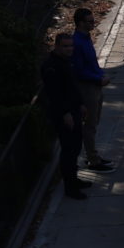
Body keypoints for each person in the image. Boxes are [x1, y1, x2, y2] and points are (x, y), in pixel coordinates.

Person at [38, 31, 91, 201]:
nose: (69, 49)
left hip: (73, 110)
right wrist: (65, 114)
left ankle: (74, 179)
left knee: (75, 147)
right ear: (57, 46)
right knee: (68, 150)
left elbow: (72, 87)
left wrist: (80, 104)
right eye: (65, 46)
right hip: (64, 114)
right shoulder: (52, 66)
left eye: (71, 46)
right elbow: (55, 94)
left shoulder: (66, 61)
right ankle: (70, 187)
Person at [71, 6, 113, 173]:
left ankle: (92, 155)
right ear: (80, 23)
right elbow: (79, 71)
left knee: (94, 123)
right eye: (90, 21)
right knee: (89, 126)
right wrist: (98, 79)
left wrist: (100, 74)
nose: (93, 24)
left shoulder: (86, 38)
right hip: (88, 88)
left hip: (96, 85)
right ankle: (93, 160)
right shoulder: (77, 43)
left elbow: (91, 64)